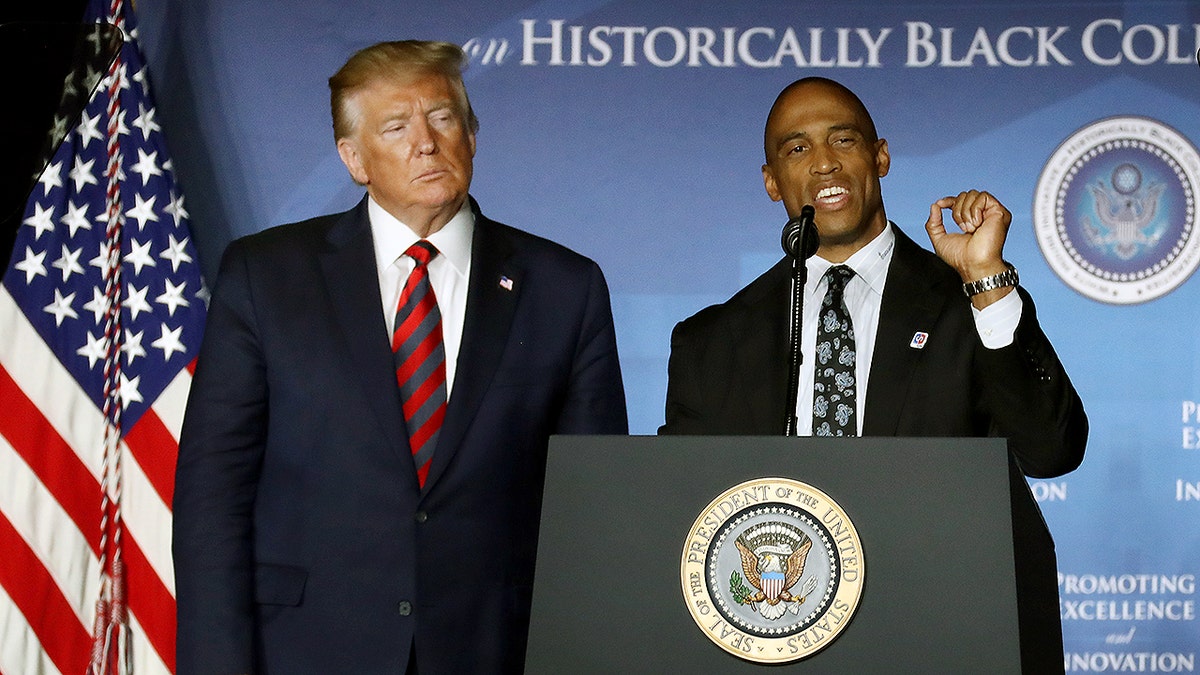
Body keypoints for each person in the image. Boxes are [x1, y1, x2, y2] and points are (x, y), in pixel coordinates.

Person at [172, 40, 627, 674]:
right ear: (354, 159)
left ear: (471, 135)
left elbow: (594, 511)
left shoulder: (564, 287)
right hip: (306, 650)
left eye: (442, 118)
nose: (426, 142)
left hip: (497, 651)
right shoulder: (265, 276)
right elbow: (212, 494)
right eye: (395, 126)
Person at [660, 77, 1087, 670]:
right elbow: (685, 515)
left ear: (880, 156)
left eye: (844, 139)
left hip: (947, 634)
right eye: (797, 148)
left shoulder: (968, 301)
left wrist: (985, 279)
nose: (825, 163)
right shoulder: (712, 341)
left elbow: (1053, 450)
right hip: (777, 639)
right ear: (770, 181)